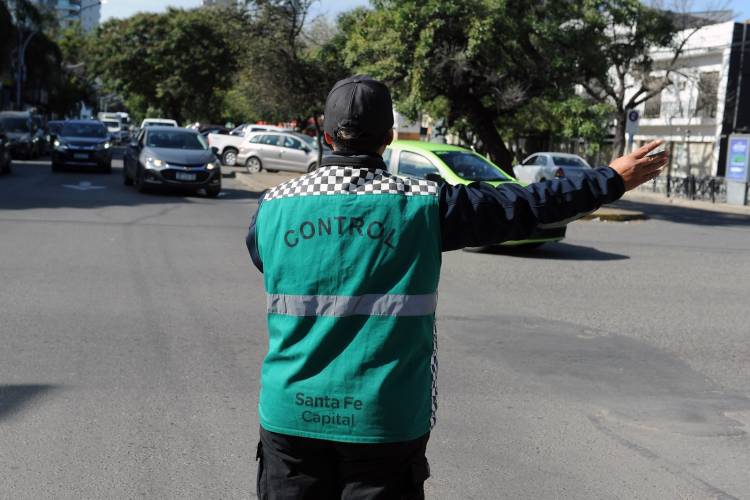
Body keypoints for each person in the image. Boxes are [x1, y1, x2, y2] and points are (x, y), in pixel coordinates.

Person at [246, 75, 667, 499]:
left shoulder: (273, 207)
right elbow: (524, 205)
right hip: (384, 421)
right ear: (389, 137)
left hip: (290, 417)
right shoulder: (425, 205)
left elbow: (263, 259)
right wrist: (610, 179)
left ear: (324, 133)